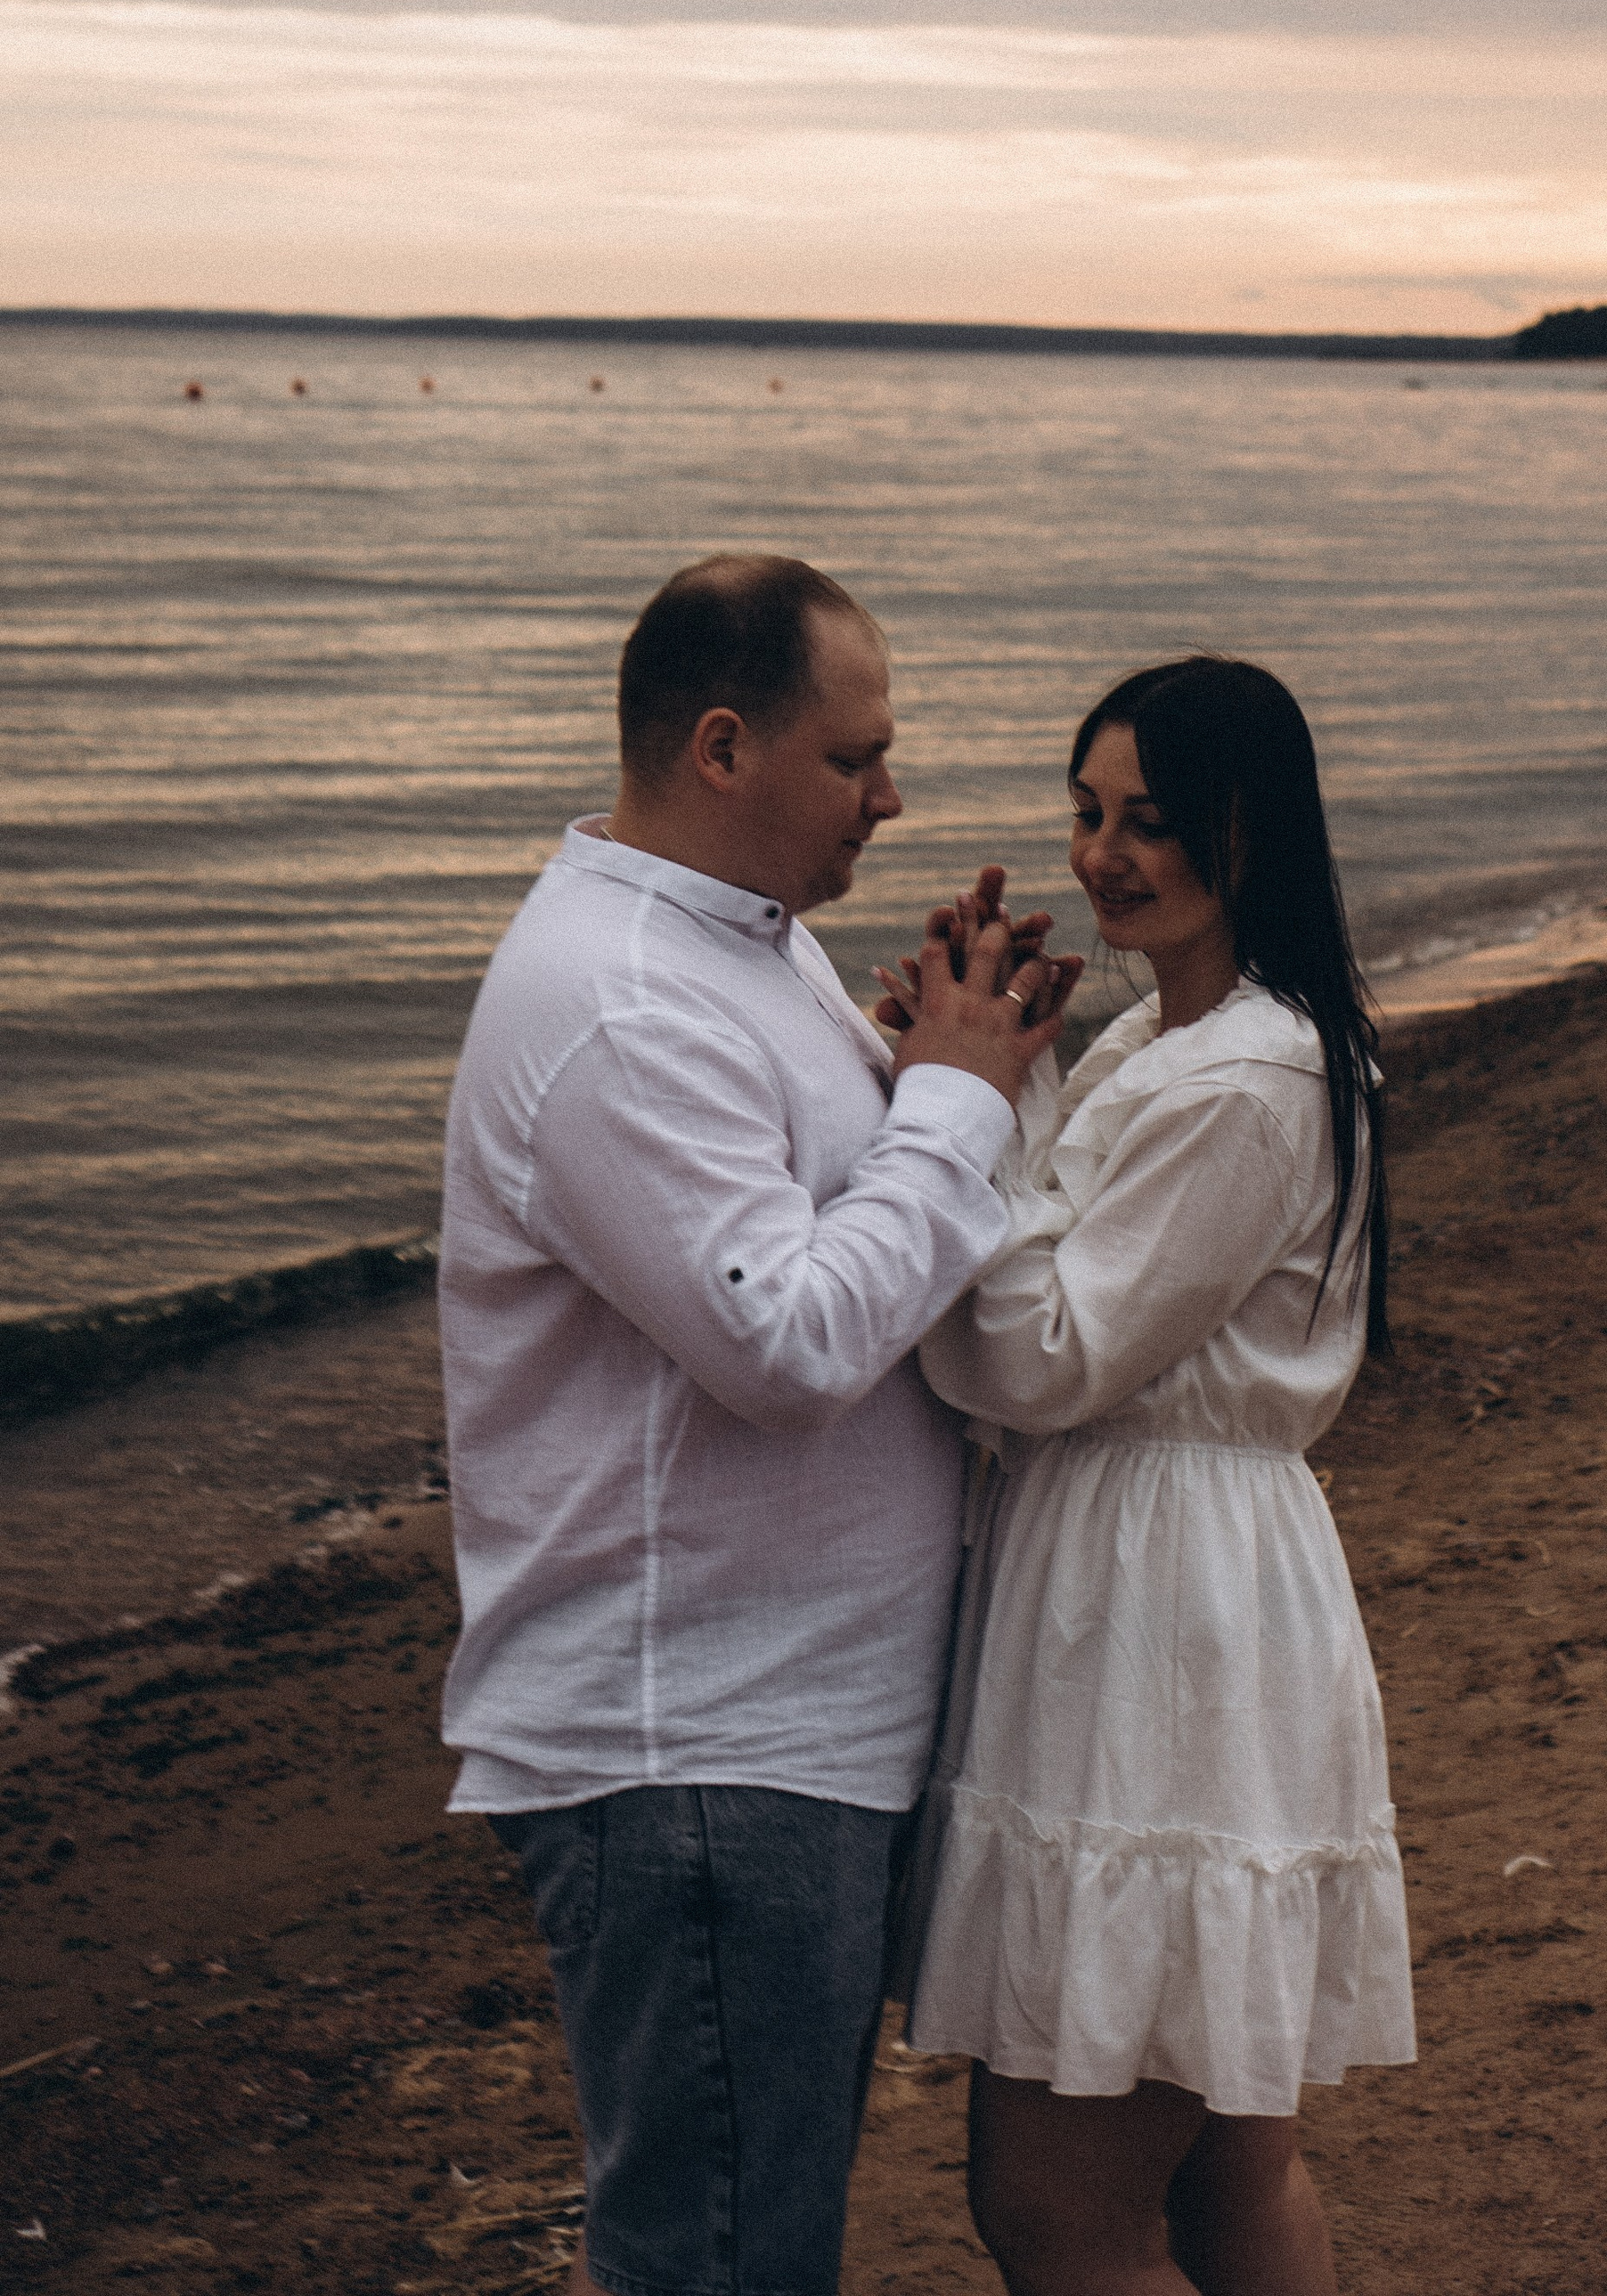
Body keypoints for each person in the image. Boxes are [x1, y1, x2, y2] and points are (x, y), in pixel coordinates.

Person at [436, 553, 1080, 2296]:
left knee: (755, 2236)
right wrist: (950, 1095)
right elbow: (785, 1340)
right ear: (721, 748)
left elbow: (818, 1210)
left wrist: (933, 1054)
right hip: (699, 1751)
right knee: (724, 2261)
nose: (893, 794)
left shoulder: (746, 944)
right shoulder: (620, 1001)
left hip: (781, 1733)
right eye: (854, 758)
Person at [885, 655, 1415, 2296]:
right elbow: (1079, 1279)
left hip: (1157, 1601)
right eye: (1087, 814)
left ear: (1247, 834)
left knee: (1057, 2208)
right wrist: (1010, 1065)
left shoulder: (1245, 1078)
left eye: (1151, 823)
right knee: (1226, 2174)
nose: (1103, 856)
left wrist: (957, 1103)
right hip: (1177, 1571)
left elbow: (1040, 1354)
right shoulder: (1179, 1040)